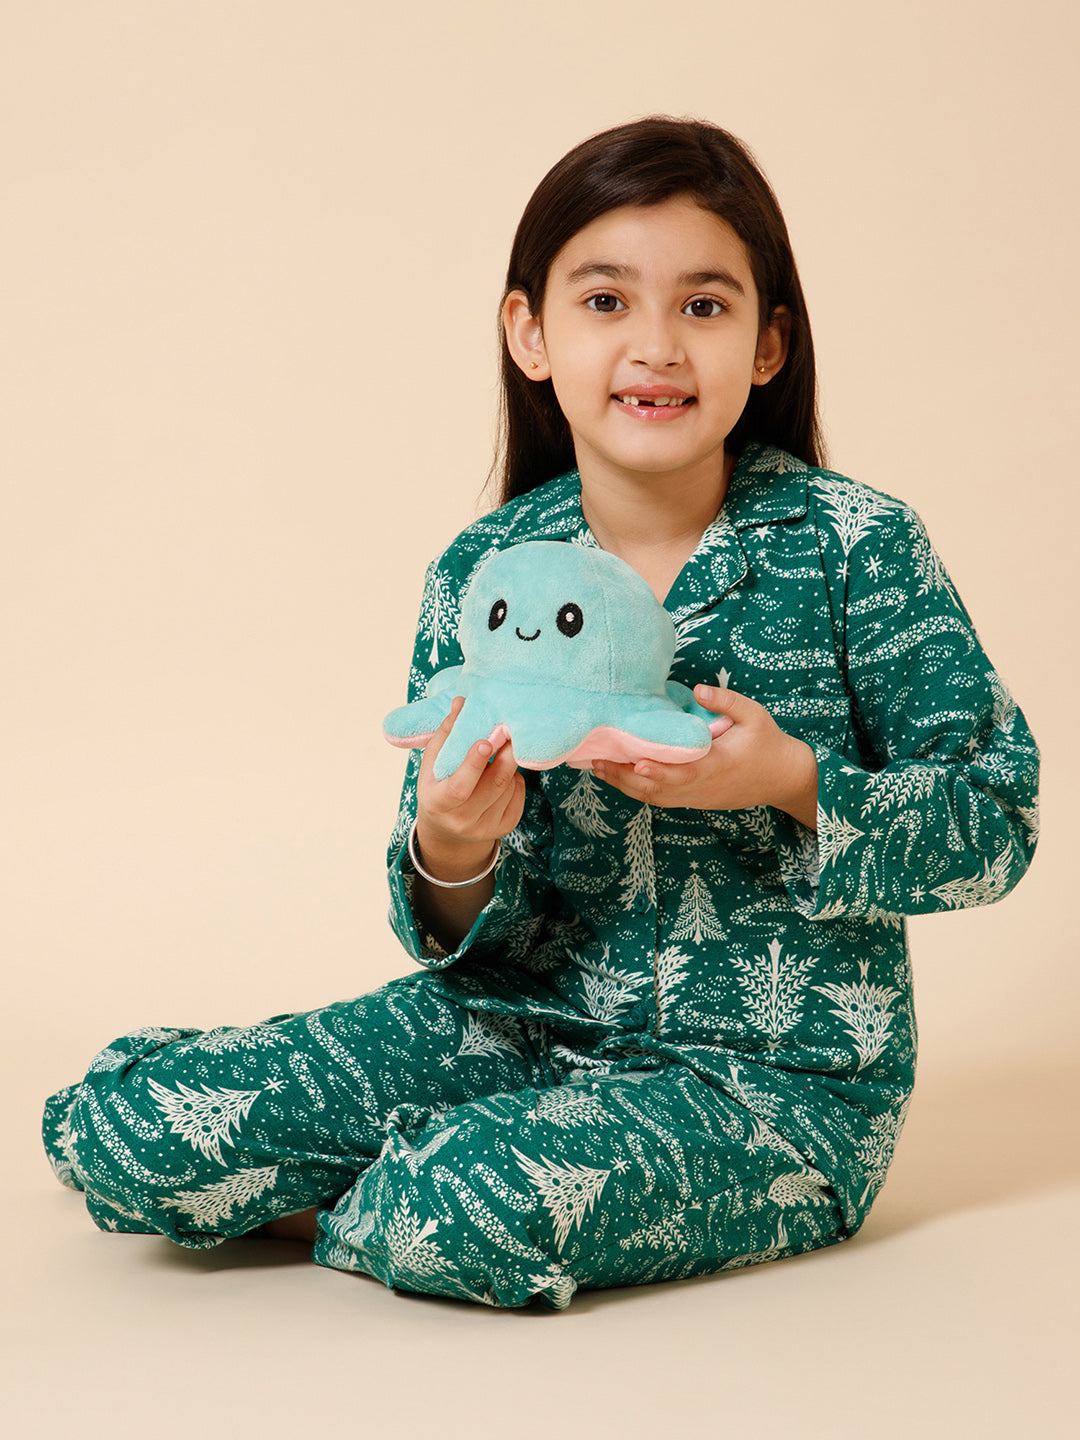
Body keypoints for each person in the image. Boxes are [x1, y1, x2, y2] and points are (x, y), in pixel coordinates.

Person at [42, 117, 1040, 1311]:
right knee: (137, 1127)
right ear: (531, 332)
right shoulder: (485, 571)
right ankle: (373, 1186)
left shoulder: (858, 548)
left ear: (770, 343)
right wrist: (451, 842)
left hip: (773, 1094)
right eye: (605, 302)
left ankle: (405, 1197)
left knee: (463, 1201)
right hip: (508, 1029)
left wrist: (792, 783)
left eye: (705, 306)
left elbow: (998, 821)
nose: (656, 347)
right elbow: (441, 925)